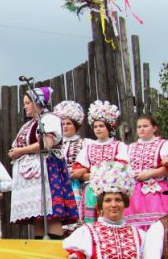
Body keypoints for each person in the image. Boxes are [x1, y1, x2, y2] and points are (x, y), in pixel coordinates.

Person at [8, 87, 78, 239]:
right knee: (38, 216)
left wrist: (21, 151)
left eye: (28, 103)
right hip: (32, 175)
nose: (25, 106)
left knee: (50, 213)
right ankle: (39, 249)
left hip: (48, 169)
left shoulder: (49, 119)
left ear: (38, 102)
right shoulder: (28, 124)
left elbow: (46, 143)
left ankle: (53, 249)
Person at [71, 100, 129, 225]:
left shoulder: (119, 146)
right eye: (95, 127)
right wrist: (85, 173)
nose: (98, 129)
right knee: (91, 221)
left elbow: (121, 169)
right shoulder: (88, 147)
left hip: (112, 190)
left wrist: (91, 174)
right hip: (91, 190)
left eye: (101, 126)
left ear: (109, 127)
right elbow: (79, 171)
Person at [124, 114, 168, 231]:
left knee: (157, 226)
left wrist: (149, 174)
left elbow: (166, 168)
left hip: (155, 191)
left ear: (154, 128)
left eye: (145, 126)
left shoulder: (163, 144)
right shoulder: (130, 147)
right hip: (134, 192)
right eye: (139, 127)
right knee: (134, 227)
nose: (142, 129)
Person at [53, 100, 87, 233]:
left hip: (77, 186)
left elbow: (90, 163)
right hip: (58, 185)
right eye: (62, 124)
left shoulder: (85, 143)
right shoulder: (54, 144)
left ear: (76, 126)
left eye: (69, 123)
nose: (65, 126)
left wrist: (80, 171)